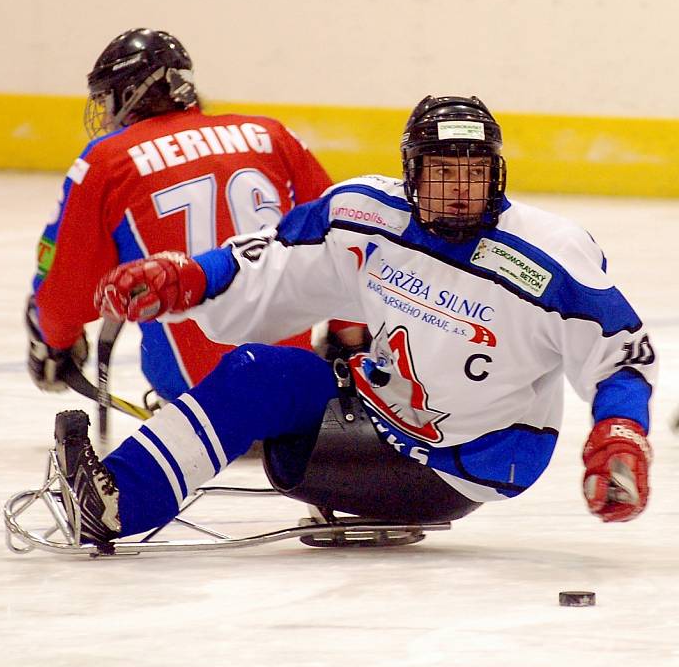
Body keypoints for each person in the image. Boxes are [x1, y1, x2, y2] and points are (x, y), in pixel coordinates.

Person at [51, 95, 656, 545]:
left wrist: (621, 434)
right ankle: (118, 499)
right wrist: (187, 278)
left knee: (264, 383)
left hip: (464, 462)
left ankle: (122, 504)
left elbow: (620, 355)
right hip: (376, 413)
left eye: (472, 173)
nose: (458, 191)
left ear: (496, 175)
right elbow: (272, 260)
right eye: (442, 172)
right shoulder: (368, 215)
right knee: (264, 373)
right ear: (411, 172)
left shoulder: (549, 257)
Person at [25, 28, 335, 403]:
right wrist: (348, 338)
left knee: (47, 308)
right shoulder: (272, 134)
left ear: (131, 94)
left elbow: (66, 294)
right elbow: (350, 235)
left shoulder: (107, 159)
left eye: (107, 99)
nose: (104, 114)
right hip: (294, 384)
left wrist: (57, 345)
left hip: (196, 396)